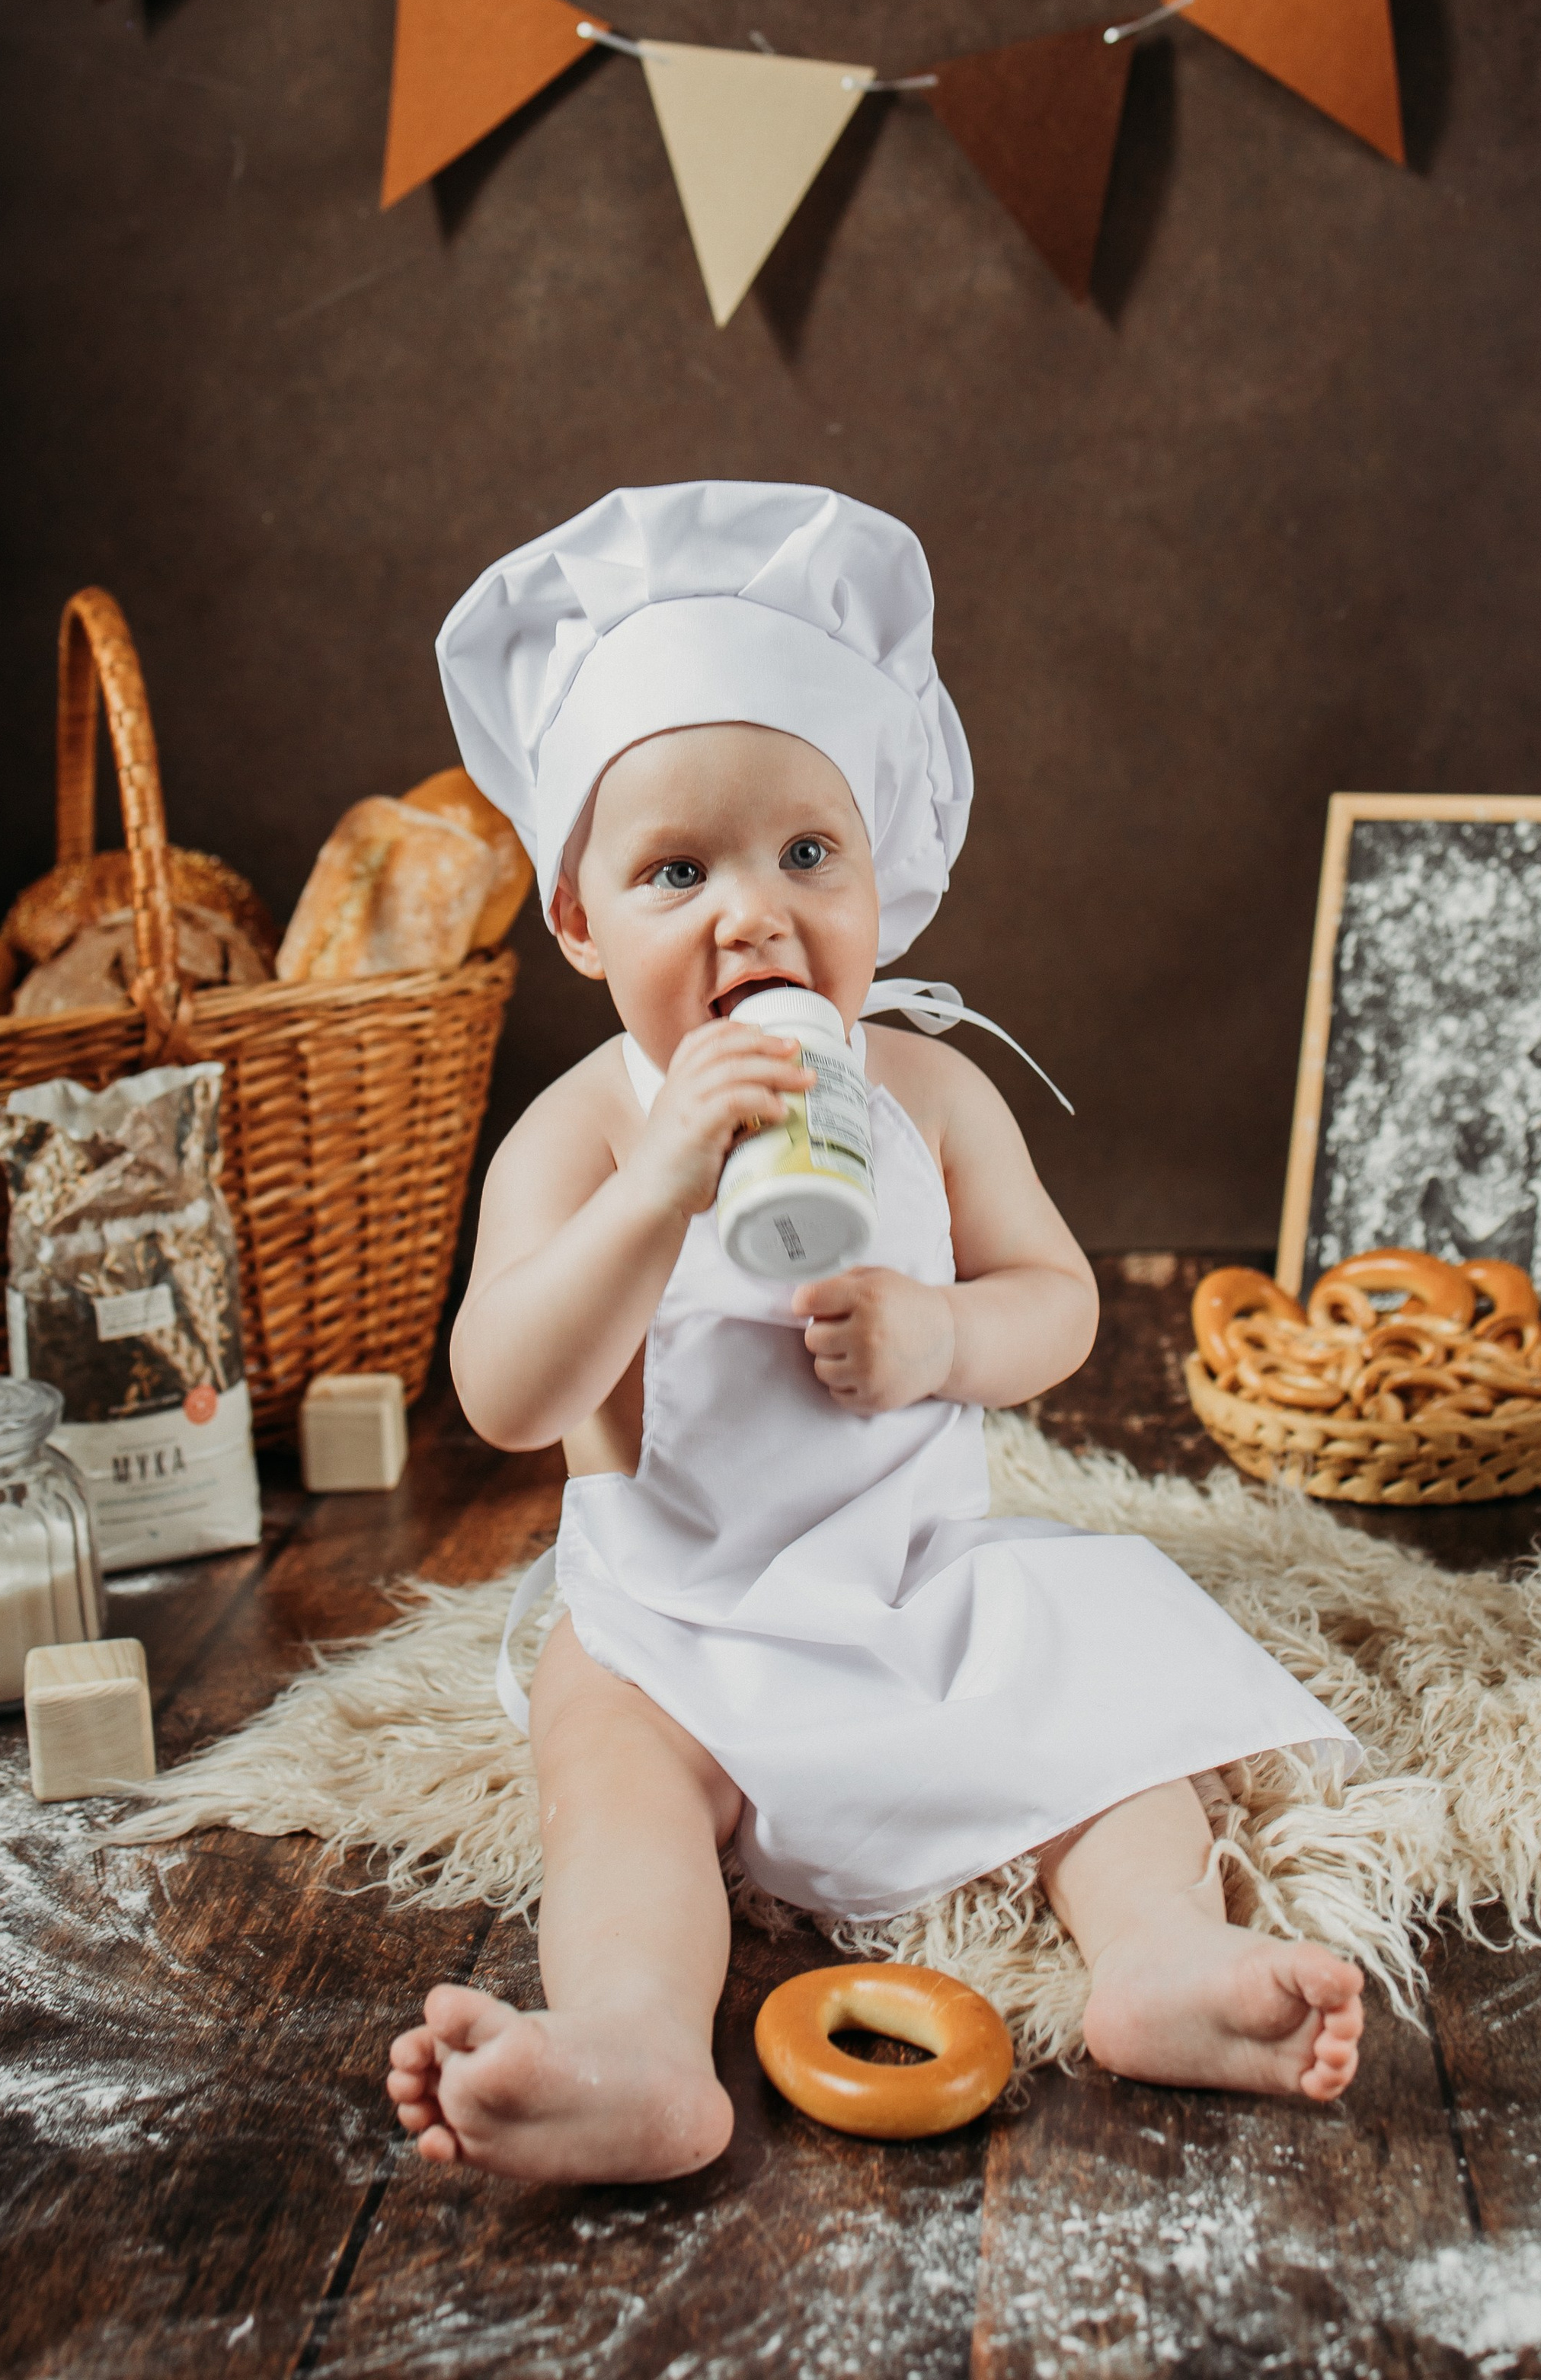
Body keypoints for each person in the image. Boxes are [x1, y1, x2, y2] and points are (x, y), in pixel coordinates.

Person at [388, 481, 1363, 2184]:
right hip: (672, 1612)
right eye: (674, 869)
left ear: (884, 877)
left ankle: (1158, 1961)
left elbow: (1054, 1308)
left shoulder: (925, 1090)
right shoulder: (583, 1130)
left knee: (1106, 1687)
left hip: (913, 1570)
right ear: (575, 920)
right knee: (611, 1791)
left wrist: (936, 1338)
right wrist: (656, 1189)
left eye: (804, 855)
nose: (749, 915)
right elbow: (502, 1394)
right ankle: (630, 2048)